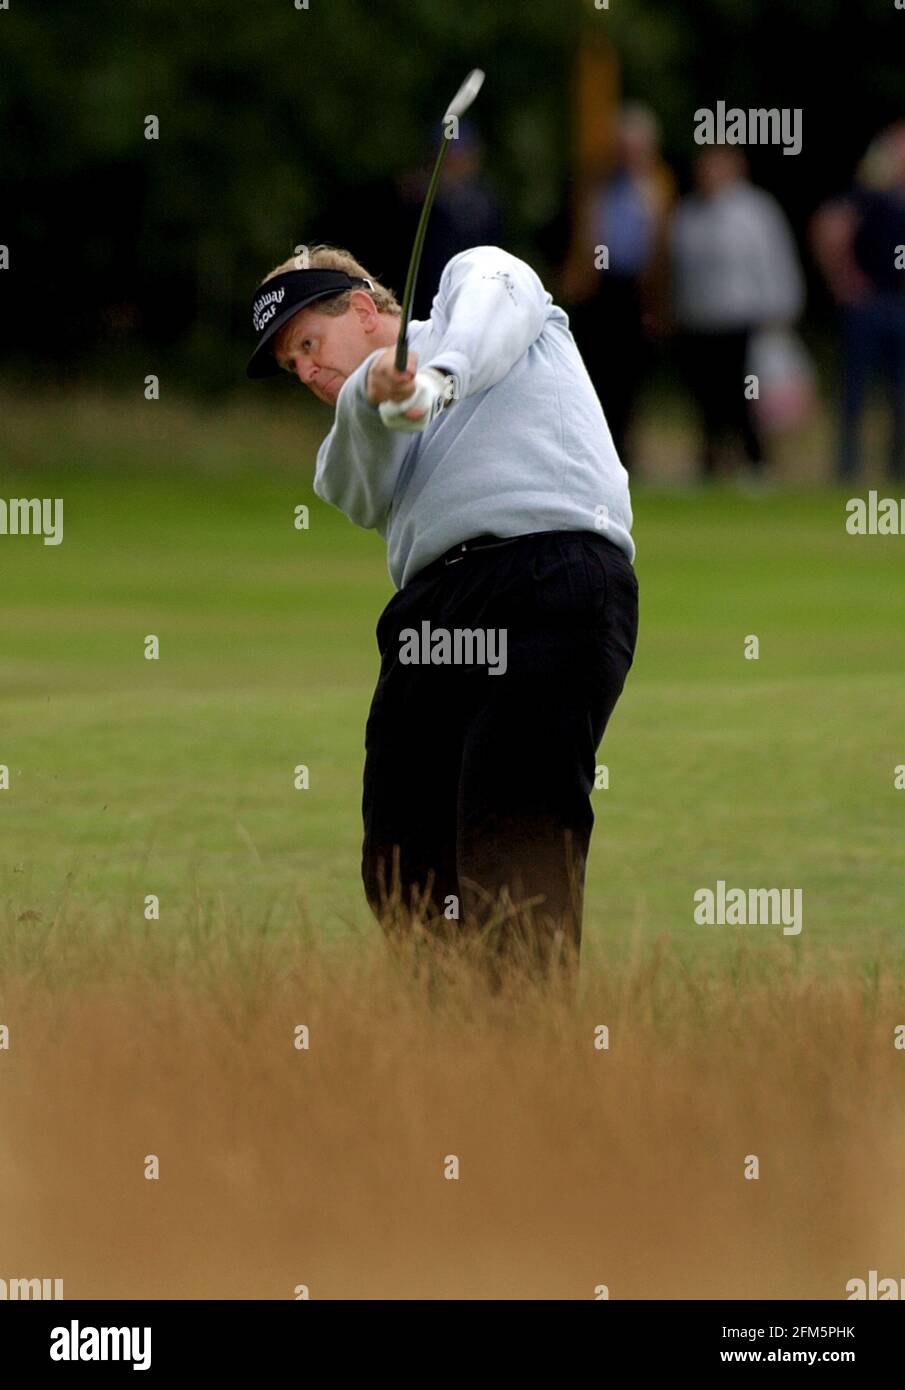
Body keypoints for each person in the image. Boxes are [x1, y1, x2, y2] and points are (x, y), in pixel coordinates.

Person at [245, 243, 639, 991]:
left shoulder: (476, 286)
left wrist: (432, 379)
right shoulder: (350, 441)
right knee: (399, 853)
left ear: (362, 309)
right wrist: (378, 393)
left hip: (554, 576)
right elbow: (361, 482)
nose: (305, 372)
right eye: (292, 368)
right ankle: (448, 1050)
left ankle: (525, 1052)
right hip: (433, 614)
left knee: (512, 830)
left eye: (307, 345)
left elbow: (495, 303)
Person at [670, 149, 805, 481]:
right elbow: (680, 270)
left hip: (743, 319)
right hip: (701, 321)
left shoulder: (755, 211)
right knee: (707, 397)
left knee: (745, 395)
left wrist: (781, 308)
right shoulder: (688, 213)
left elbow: (775, 260)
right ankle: (711, 463)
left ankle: (755, 462)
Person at [561, 104, 675, 468]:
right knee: (595, 378)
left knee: (629, 383)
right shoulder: (595, 185)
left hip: (636, 294)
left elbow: (661, 253)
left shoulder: (659, 187)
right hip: (599, 293)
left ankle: (625, 457)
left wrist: (658, 305)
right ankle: (596, 458)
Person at [811, 122, 905, 482]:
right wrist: (844, 280)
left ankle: (897, 471)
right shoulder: (869, 195)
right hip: (868, 305)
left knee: (900, 395)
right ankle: (847, 470)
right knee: (855, 391)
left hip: (897, 304)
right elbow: (829, 228)